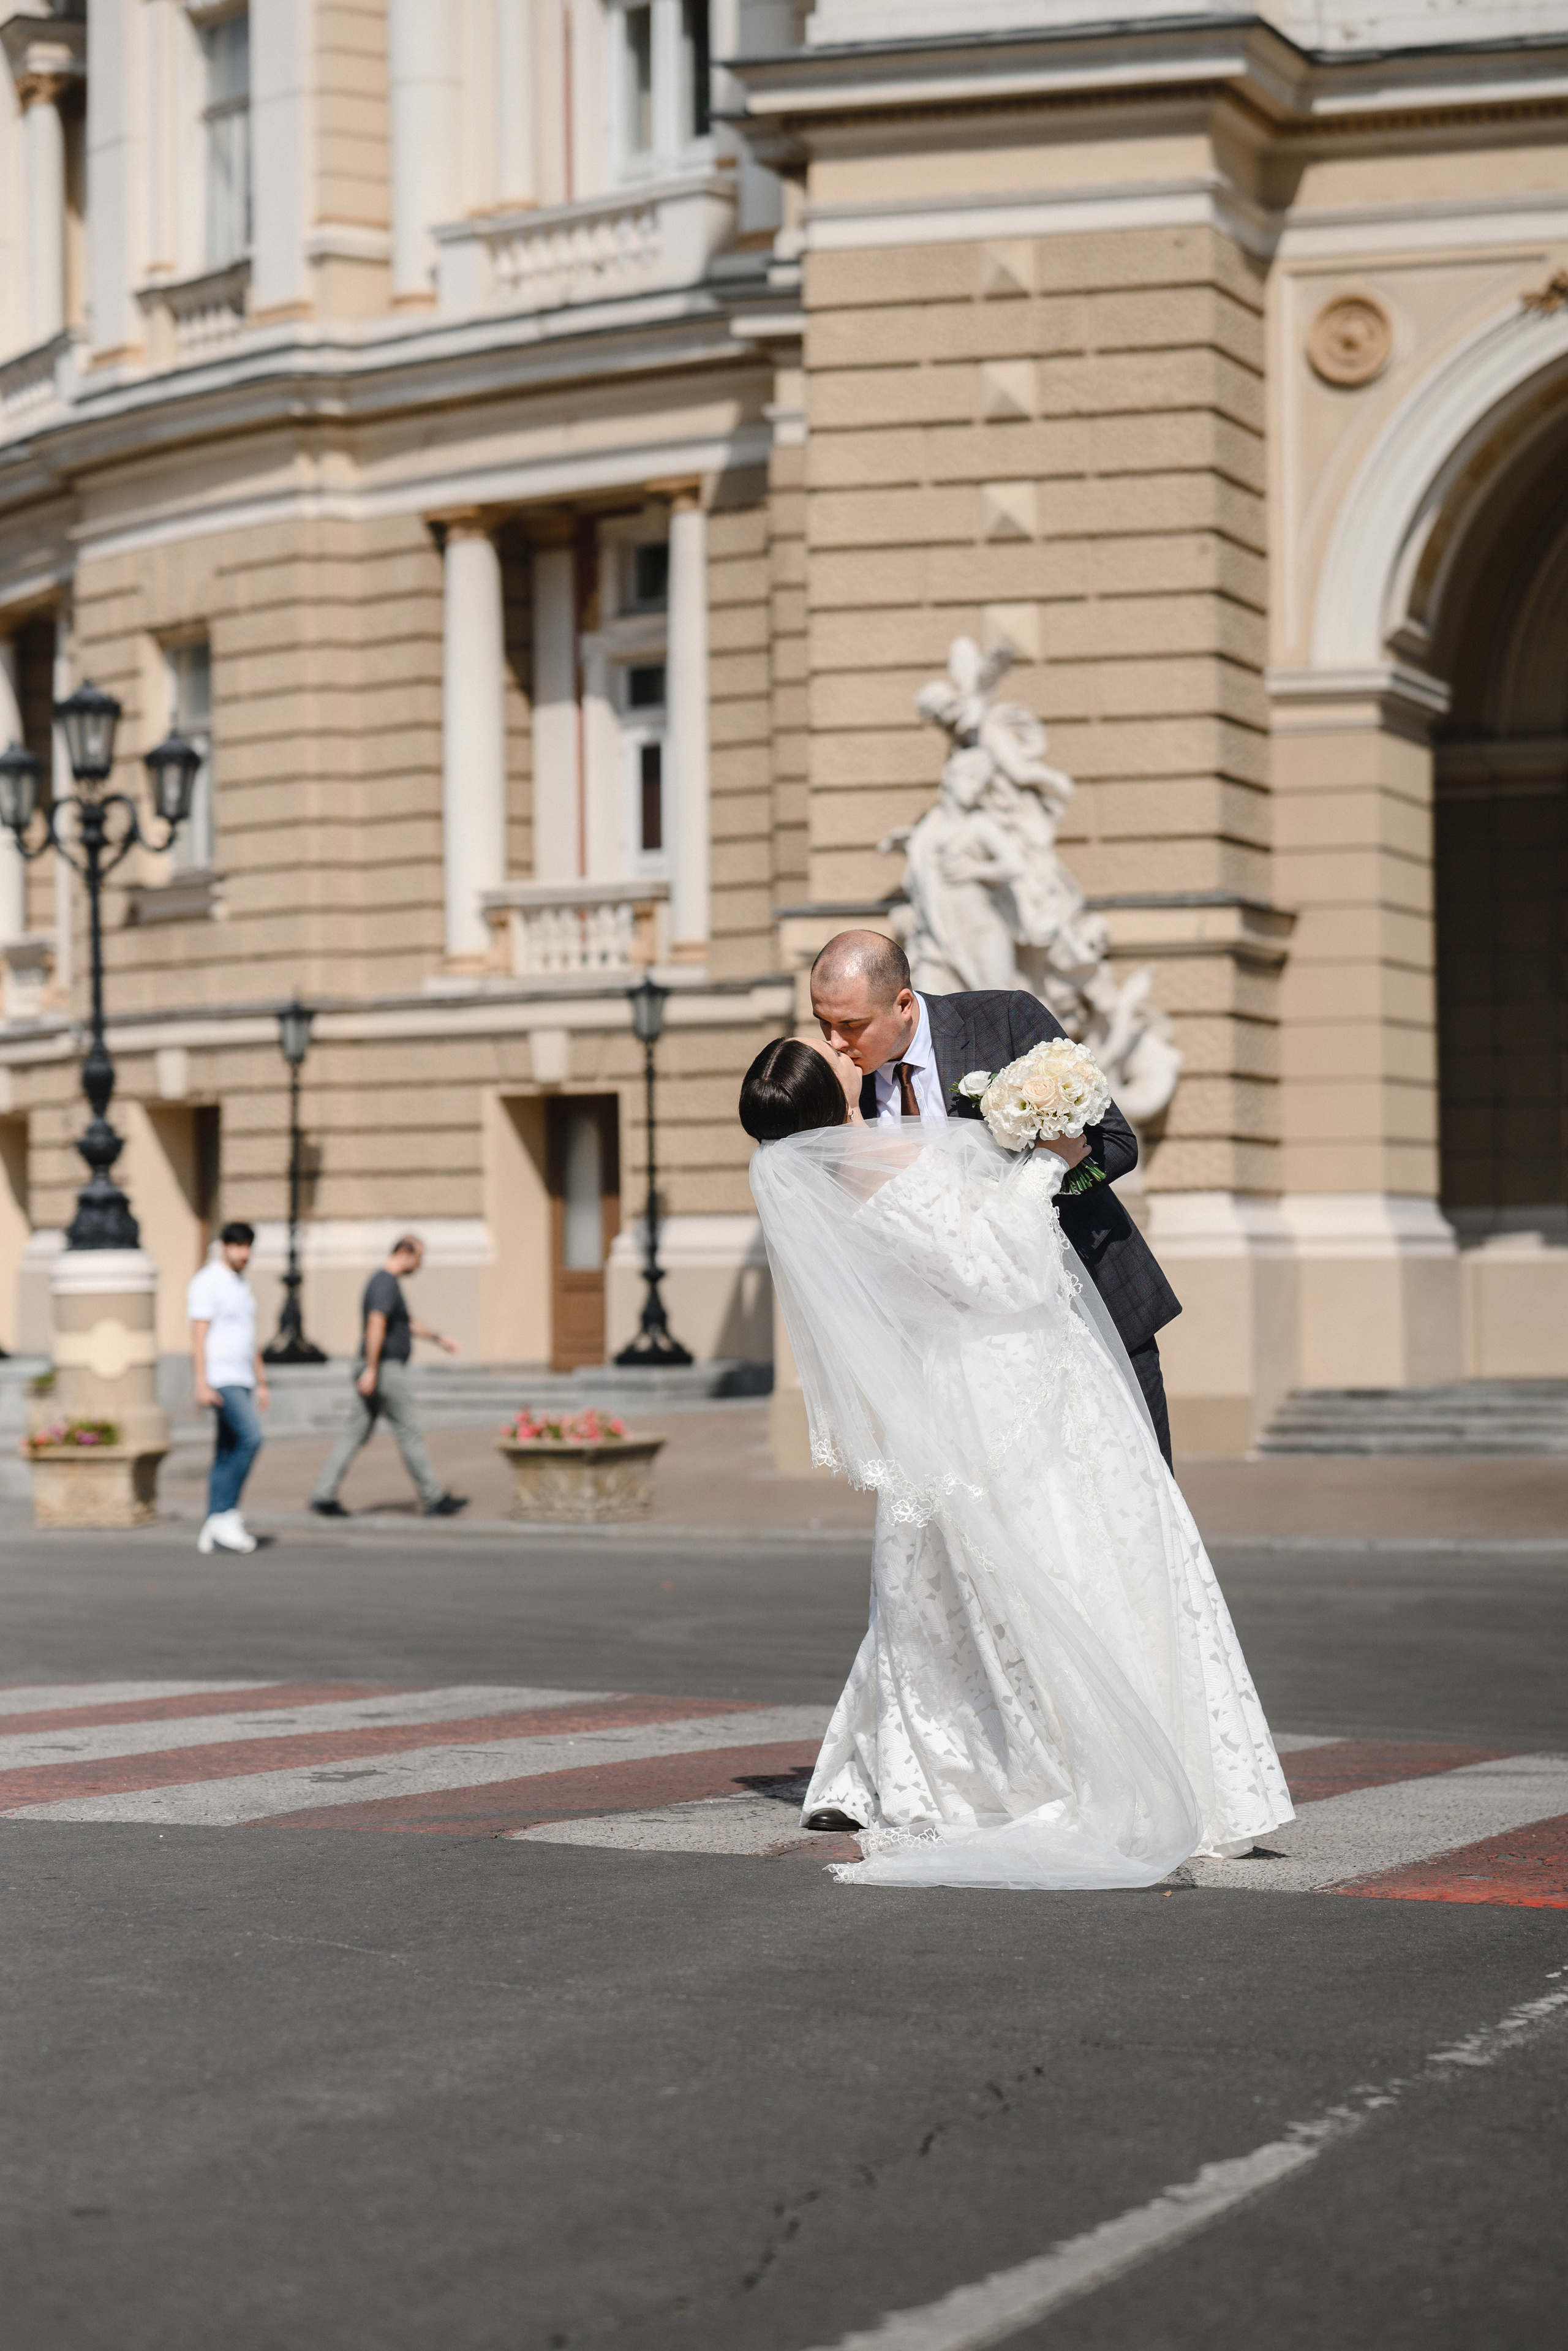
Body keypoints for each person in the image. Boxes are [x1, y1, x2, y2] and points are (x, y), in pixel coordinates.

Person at [739, 1035, 1292, 1889]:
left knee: (1012, 1573)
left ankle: (985, 1760)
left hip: (973, 1376)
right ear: (831, 1089)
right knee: (1073, 1557)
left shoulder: (833, 1175)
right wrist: (1047, 1161)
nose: (842, 1046)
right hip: (1004, 1379)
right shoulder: (871, 1161)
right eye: (828, 1046)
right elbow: (993, 1271)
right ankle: (1111, 1770)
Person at [809, 927, 1182, 1466]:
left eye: (851, 1025)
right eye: (824, 1024)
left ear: (904, 1004)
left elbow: (1117, 1145)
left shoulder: (1003, 1020)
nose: (836, 1043)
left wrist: (1031, 1187)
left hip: (1094, 1310)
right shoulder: (843, 1094)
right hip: (973, 1366)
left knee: (1143, 1510)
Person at [307, 1236, 468, 1520]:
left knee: (353, 1433)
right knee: (409, 1432)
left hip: (376, 1368)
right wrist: (372, 1368)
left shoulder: (386, 1283)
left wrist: (439, 1338)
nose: (420, 1265)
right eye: (419, 1258)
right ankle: (433, 1498)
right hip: (385, 1369)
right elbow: (375, 1323)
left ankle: (324, 1495)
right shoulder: (384, 1282)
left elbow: (405, 1322)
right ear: (405, 1253)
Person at [187, 1221, 269, 1557]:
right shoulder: (207, 1281)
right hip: (221, 1377)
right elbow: (199, 1334)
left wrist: (262, 1381)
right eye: (238, 1246)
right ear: (224, 1246)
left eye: (248, 1246)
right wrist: (201, 1381)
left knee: (226, 1451)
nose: (244, 1253)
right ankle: (226, 1514)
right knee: (252, 1438)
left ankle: (213, 1523)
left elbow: (250, 1338)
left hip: (243, 1376)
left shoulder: (242, 1285)